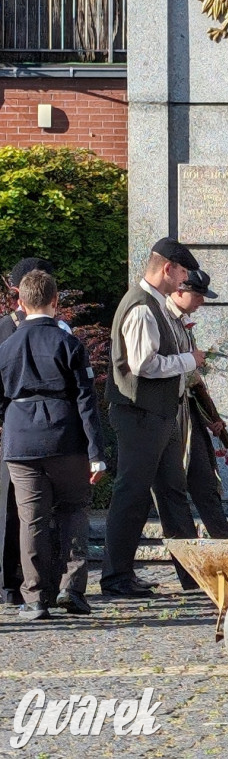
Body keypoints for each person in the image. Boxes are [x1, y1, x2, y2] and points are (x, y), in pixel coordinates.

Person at [101, 238, 204, 597]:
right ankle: (116, 576)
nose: (184, 281)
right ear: (167, 269)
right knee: (132, 492)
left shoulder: (156, 305)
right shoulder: (143, 307)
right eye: (183, 273)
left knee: (173, 493)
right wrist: (190, 361)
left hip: (158, 414)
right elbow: (142, 365)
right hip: (140, 413)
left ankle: (194, 575)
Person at [0, 269, 105, 619]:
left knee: (31, 520)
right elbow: (87, 401)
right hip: (65, 437)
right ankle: (71, 589)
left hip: (20, 439)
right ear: (55, 301)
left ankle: (34, 598)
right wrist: (96, 453)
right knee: (73, 510)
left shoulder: (6, 346)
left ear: (20, 301)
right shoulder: (68, 343)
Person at [0, 257, 72, 606]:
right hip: (14, 430)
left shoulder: (58, 332)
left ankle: (43, 584)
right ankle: (12, 582)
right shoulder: (4, 330)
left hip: (34, 430)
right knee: (13, 512)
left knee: (40, 513)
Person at [166, 269, 228, 539]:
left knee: (205, 483)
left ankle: (225, 544)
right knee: (173, 490)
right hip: (168, 415)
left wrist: (209, 418)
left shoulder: (182, 321)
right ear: (179, 290)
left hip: (190, 410)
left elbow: (193, 381)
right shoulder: (162, 318)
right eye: (198, 294)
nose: (201, 301)